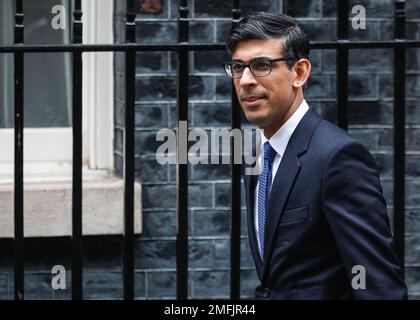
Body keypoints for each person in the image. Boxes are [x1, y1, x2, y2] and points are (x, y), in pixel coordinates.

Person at [224, 12, 407, 299]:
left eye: (261, 65)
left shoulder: (338, 157)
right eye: (238, 67)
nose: (245, 80)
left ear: (299, 73)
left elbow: (379, 286)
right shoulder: (259, 153)